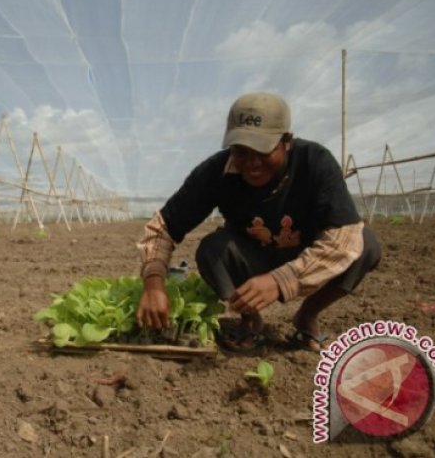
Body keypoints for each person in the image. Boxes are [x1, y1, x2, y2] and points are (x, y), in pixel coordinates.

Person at [135, 92, 381, 353]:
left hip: (308, 255)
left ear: (286, 142)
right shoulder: (216, 173)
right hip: (254, 257)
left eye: (263, 151)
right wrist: (153, 284)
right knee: (212, 249)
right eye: (240, 152)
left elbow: (344, 236)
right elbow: (162, 228)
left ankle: (307, 316)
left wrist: (281, 280)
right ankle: (250, 320)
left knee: (366, 245)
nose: (252, 164)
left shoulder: (314, 162)